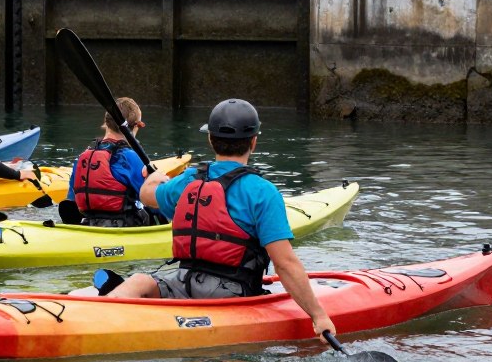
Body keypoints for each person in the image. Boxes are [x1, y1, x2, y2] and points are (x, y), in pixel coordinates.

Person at [104, 98, 335, 343]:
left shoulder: (189, 179)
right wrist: (318, 316)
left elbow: (146, 194)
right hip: (231, 295)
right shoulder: (262, 191)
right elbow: (285, 264)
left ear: (210, 139)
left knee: (139, 280)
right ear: (253, 142)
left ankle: (99, 316)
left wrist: (154, 177)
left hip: (186, 282)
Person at [64, 97, 154, 227]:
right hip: (124, 229)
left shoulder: (82, 158)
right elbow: (153, 202)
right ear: (135, 126)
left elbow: (72, 202)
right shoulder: (131, 158)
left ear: (106, 123)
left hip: (88, 226)